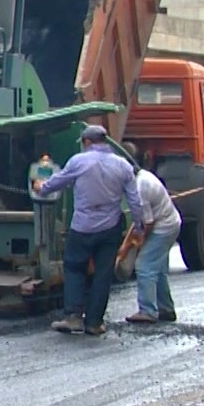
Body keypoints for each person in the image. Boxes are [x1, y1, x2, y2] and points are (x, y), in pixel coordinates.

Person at [32, 124, 148, 336]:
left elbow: (57, 182)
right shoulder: (122, 165)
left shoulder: (79, 161)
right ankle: (94, 322)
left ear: (87, 141)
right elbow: (134, 200)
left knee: (75, 268)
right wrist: (139, 227)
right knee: (103, 274)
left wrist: (41, 187)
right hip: (110, 227)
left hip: (82, 226)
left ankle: (73, 317)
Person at [120, 157, 181, 325]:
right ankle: (166, 309)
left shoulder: (140, 189)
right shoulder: (143, 176)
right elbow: (139, 221)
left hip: (163, 227)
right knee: (158, 270)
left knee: (144, 265)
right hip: (170, 222)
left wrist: (140, 241)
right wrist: (126, 245)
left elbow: (147, 223)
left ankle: (147, 311)